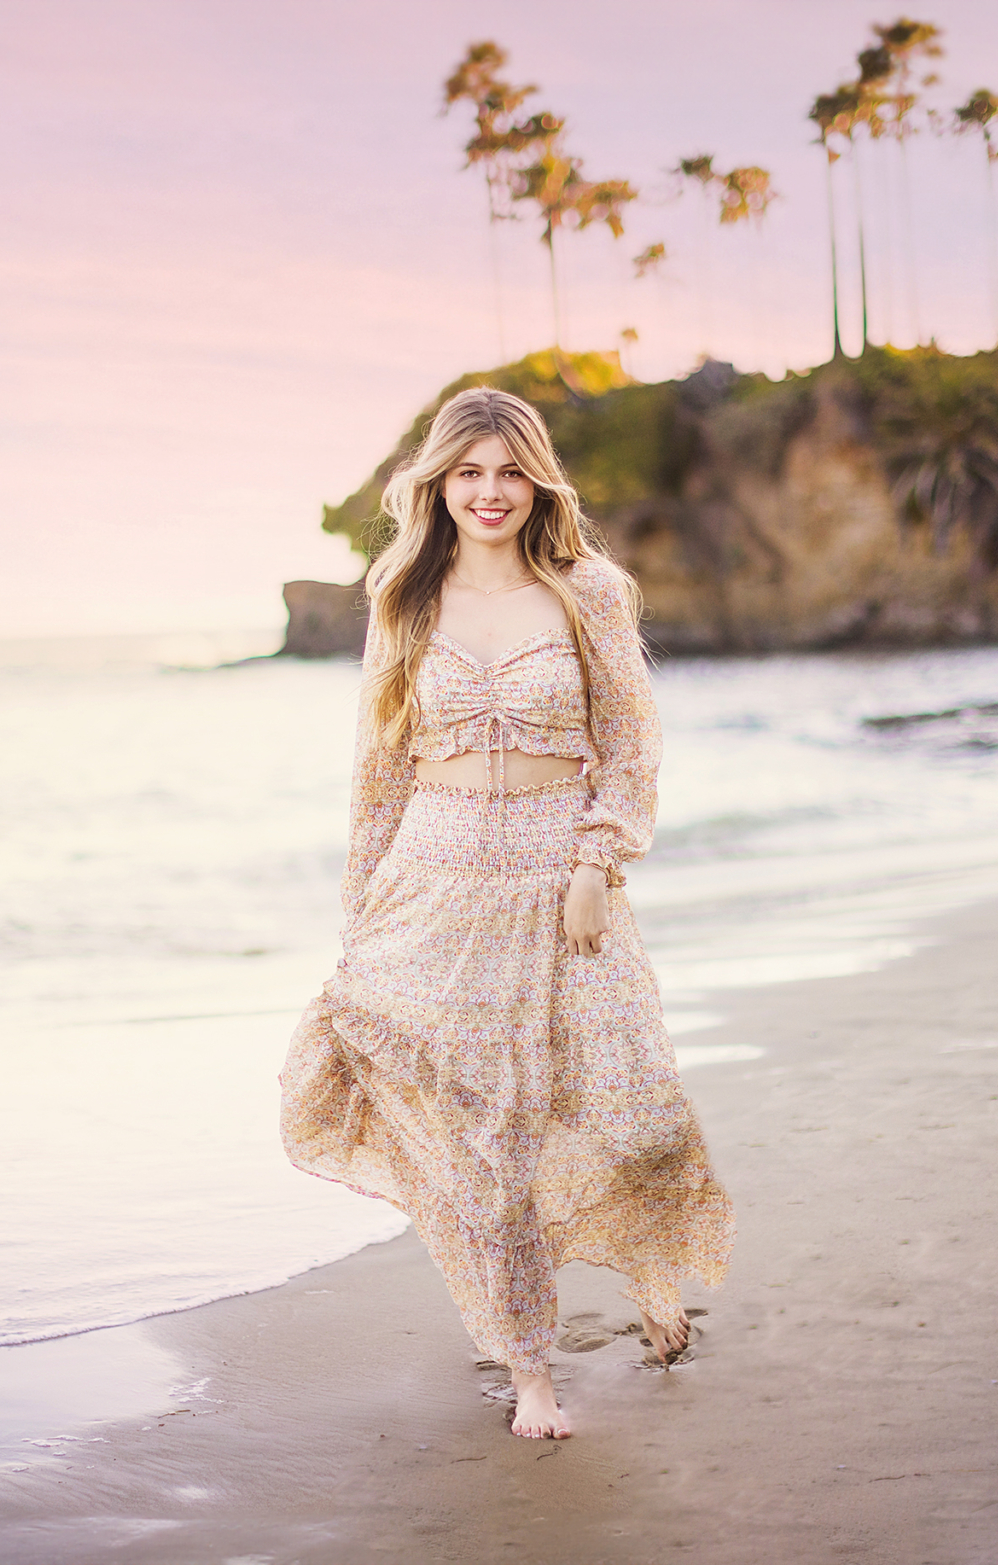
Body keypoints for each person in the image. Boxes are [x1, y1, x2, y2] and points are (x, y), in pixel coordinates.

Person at [280, 385, 733, 1440]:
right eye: (468, 472)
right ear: (438, 483)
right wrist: (363, 910)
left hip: (559, 879)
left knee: (627, 1112)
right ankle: (531, 1367)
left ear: (538, 479)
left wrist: (596, 862)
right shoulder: (403, 592)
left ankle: (652, 1275)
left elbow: (630, 745)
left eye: (509, 470)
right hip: (432, 883)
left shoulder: (590, 589)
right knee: (485, 1143)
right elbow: (379, 769)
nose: (489, 492)